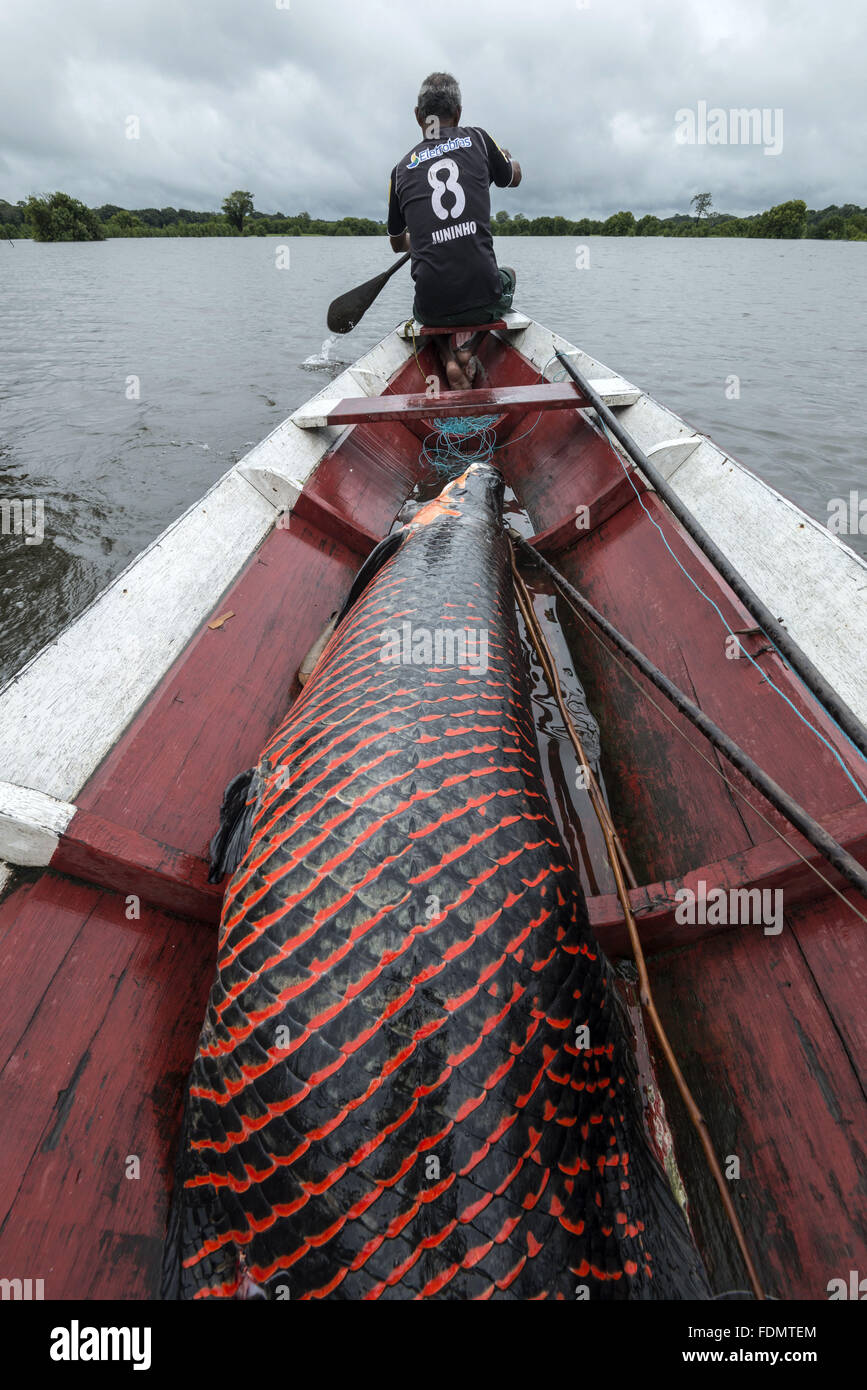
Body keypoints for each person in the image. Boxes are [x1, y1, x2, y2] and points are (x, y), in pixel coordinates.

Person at [387, 72, 522, 389]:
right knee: (509, 277)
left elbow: (397, 244)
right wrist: (510, 162)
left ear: (418, 116)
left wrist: (419, 239)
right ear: (458, 113)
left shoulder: (400, 170)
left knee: (427, 301)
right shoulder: (478, 139)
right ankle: (468, 351)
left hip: (430, 307)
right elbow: (512, 177)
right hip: (481, 293)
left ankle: (447, 355)